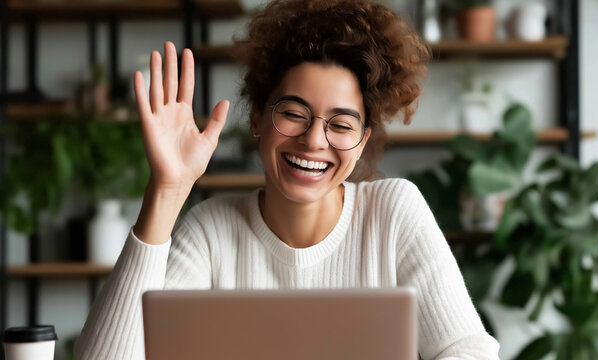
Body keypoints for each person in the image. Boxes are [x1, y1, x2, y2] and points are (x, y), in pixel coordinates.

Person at [75, 0, 500, 359]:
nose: (315, 140)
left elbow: (469, 348)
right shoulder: (210, 231)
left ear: (362, 139)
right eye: (294, 114)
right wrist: (166, 190)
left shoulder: (394, 212)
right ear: (258, 117)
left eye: (341, 124)